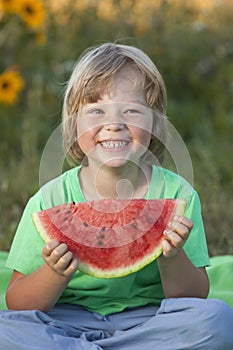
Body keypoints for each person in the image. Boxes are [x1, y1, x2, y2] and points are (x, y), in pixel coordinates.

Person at [0, 43, 233, 350]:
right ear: (73, 124)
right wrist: (53, 273)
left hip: (150, 321)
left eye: (132, 111)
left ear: (155, 123)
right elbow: (17, 301)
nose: (114, 124)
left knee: (217, 320)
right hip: (66, 320)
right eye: (96, 111)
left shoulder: (178, 195)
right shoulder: (50, 199)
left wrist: (172, 258)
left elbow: (192, 297)